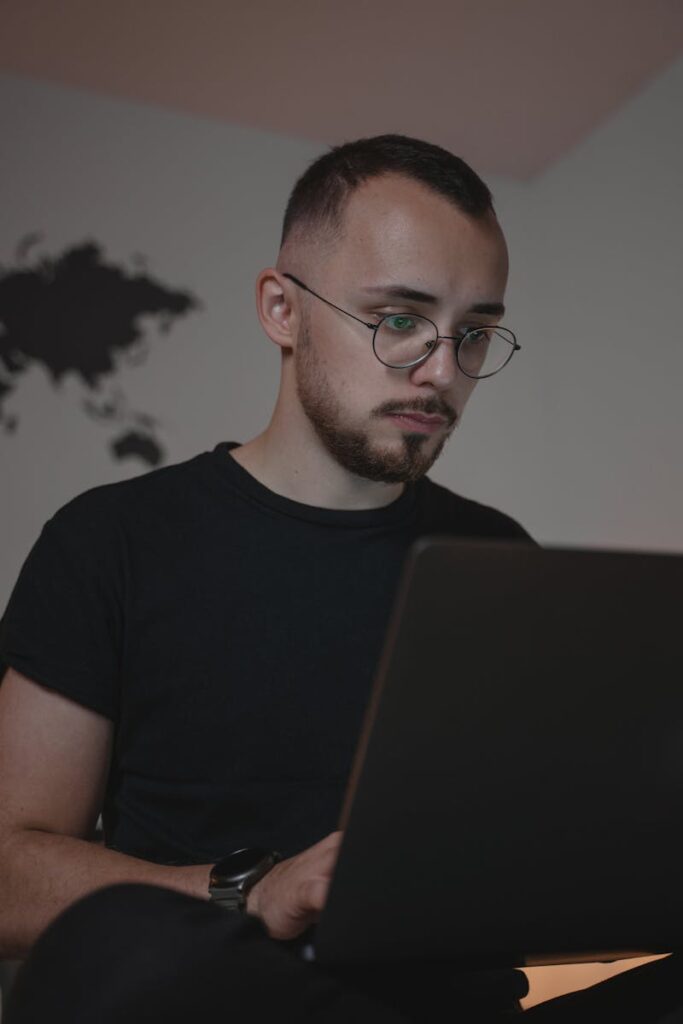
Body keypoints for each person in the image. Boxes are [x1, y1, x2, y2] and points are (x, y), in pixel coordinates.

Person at [0, 135, 680, 1023]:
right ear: (282, 309)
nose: (441, 372)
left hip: (457, 1008)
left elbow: (543, 868)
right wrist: (250, 891)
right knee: (115, 946)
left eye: (472, 333)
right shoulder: (111, 539)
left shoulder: (497, 558)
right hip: (223, 988)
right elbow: (10, 870)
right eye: (399, 319)